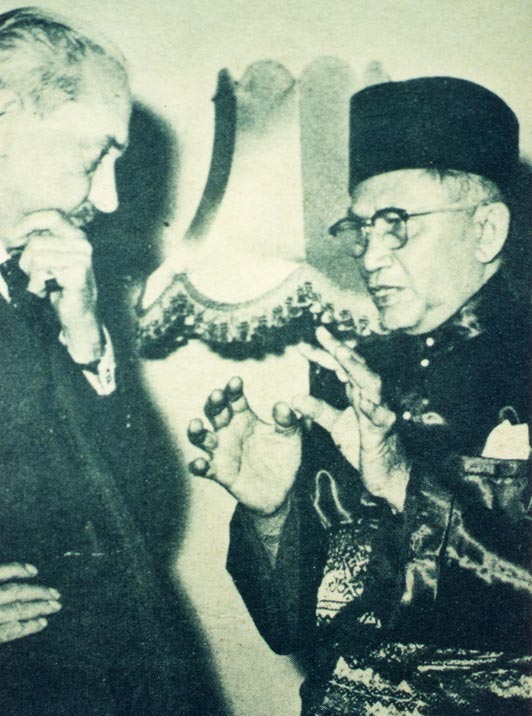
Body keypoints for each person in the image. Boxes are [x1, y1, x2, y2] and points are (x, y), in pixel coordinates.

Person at [189, 76, 531, 715]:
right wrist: (272, 514)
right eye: (361, 228)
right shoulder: (352, 374)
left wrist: (402, 482)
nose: (369, 256)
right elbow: (292, 628)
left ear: (486, 229)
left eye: (396, 225)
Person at [0, 8, 222, 716]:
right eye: (96, 155)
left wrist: (86, 337)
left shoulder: (44, 288)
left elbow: (145, 514)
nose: (109, 198)